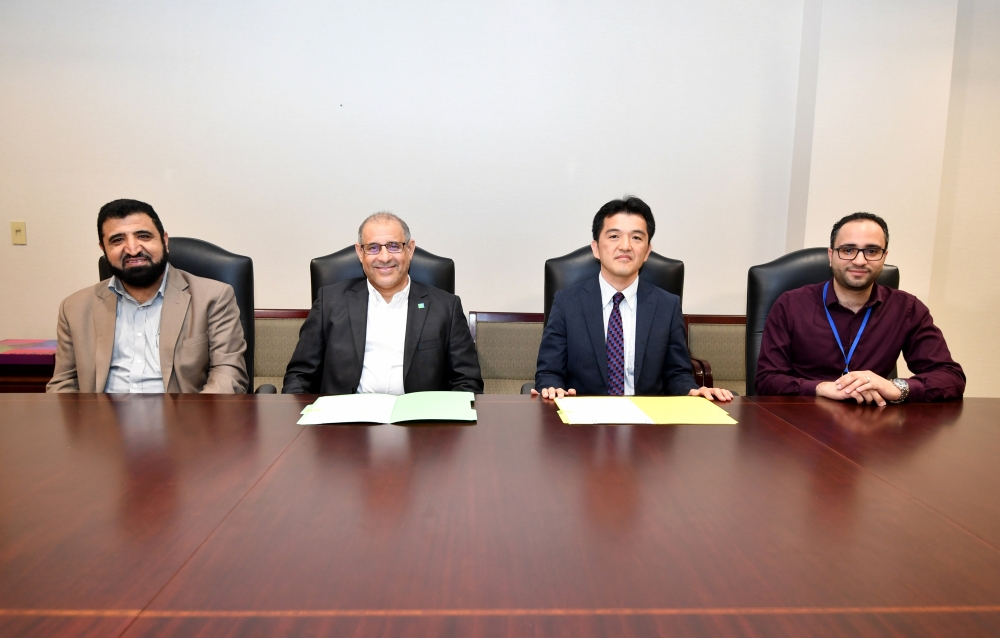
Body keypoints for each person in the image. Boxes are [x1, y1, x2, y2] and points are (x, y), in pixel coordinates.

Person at [533, 197, 732, 401]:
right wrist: (552, 387)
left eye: (636, 238)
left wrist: (693, 390)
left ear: (647, 252)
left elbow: (676, 374)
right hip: (584, 422)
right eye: (614, 236)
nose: (625, 246)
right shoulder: (567, 303)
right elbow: (549, 372)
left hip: (647, 424)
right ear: (595, 248)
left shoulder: (667, 305)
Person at [755, 212, 965, 404]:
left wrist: (895, 387)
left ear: (884, 257)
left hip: (875, 424)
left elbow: (950, 377)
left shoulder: (907, 309)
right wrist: (821, 388)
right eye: (848, 250)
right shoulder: (790, 305)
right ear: (831, 255)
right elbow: (767, 380)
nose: (859, 260)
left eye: (872, 251)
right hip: (802, 421)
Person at [47, 199, 248, 393]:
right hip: (101, 423)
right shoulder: (74, 308)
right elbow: (64, 383)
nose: (133, 249)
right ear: (104, 249)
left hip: (184, 421)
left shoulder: (213, 298)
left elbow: (228, 375)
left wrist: (193, 423)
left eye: (143, 236)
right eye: (117, 240)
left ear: (164, 241)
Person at [282, 212, 483, 395]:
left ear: (410, 249)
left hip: (420, 426)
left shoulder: (446, 307)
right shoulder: (330, 302)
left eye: (394, 246)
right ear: (360, 253)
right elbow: (300, 375)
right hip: (345, 425)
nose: (385, 257)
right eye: (373, 248)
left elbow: (467, 382)